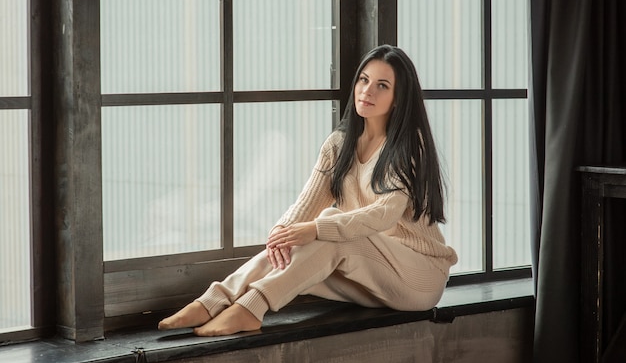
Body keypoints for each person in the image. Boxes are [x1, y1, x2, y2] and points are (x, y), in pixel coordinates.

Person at [158, 44, 458, 337]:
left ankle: (250, 309)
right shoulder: (339, 144)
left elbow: (384, 215)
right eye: (364, 80)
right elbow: (307, 202)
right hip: (374, 277)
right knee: (297, 245)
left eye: (382, 85)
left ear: (398, 98)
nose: (367, 91)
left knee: (330, 229)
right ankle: (214, 301)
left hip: (418, 276)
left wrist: (315, 228)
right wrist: (281, 233)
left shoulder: (408, 146)